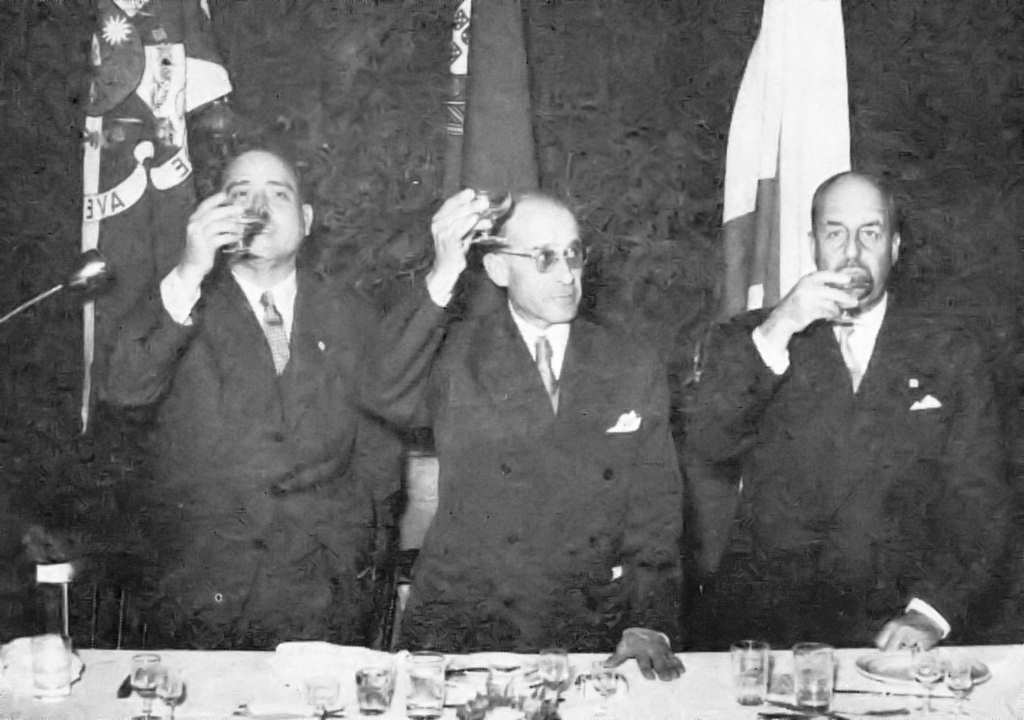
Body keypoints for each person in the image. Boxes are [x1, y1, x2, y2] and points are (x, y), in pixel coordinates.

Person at [362, 190, 684, 679]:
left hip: (589, 625)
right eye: (543, 257)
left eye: (573, 253)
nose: (566, 274)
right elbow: (382, 389)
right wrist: (444, 271)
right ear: (497, 269)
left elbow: (655, 509)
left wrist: (649, 621)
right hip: (467, 625)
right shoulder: (457, 353)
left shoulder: (630, 361)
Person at [686, 171, 1008, 649]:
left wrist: (930, 614)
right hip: (767, 632)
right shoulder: (753, 339)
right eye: (835, 233)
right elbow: (709, 444)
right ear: (813, 245)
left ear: (894, 247)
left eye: (870, 233)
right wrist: (781, 326)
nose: (852, 252)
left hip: (893, 628)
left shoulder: (950, 352)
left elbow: (979, 504)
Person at [102, 147, 400, 648]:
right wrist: (189, 271)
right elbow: (126, 390)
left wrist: (359, 552)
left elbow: (379, 454)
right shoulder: (178, 302)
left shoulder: (354, 315)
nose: (259, 208)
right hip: (199, 588)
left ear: (306, 221)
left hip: (323, 592)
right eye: (241, 195)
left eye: (278, 195)